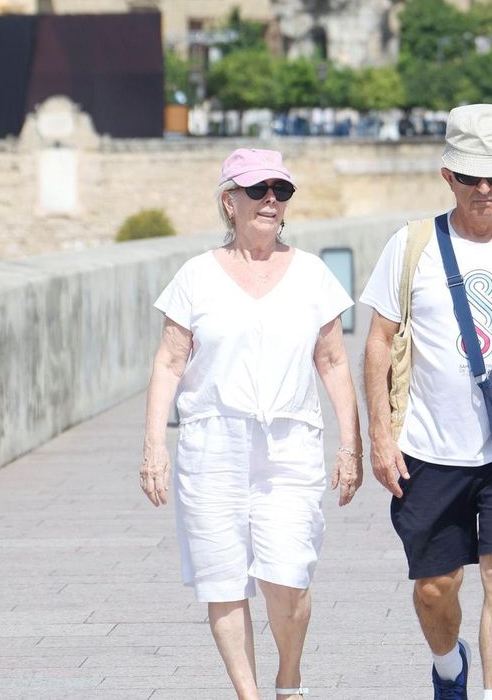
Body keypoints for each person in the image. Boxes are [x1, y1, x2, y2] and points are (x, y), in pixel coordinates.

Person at [361, 104, 492, 700]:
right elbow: (377, 342)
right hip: (427, 448)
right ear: (446, 175)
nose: (485, 190)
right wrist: (379, 436)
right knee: (436, 586)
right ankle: (447, 663)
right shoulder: (411, 246)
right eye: (471, 177)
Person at [139, 148, 364, 699]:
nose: (270, 199)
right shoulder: (195, 276)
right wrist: (154, 449)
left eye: (280, 191)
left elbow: (333, 361)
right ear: (228, 201)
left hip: (290, 443)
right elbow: (169, 361)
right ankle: (251, 694)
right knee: (222, 578)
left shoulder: (312, 274)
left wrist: (349, 445)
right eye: (258, 189)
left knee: (288, 573)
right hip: (212, 443)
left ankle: (290, 677)